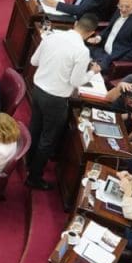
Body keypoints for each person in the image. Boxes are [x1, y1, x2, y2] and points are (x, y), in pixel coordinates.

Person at [26, 15, 96, 189]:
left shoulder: (52, 36)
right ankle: (34, 177)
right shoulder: (82, 51)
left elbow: (33, 61)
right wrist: (92, 72)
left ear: (75, 24)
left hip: (38, 90)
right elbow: (76, 81)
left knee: (35, 128)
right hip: (55, 99)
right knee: (47, 139)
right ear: (91, 33)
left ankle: (27, 162)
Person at [87, 0, 132, 72]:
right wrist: (98, 37)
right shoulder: (119, 10)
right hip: (101, 49)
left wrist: (116, 62)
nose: (123, 10)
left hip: (111, 59)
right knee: (78, 51)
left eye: (127, 7)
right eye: (121, 6)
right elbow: (109, 28)